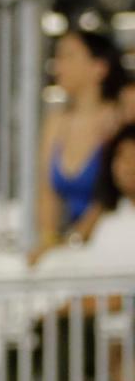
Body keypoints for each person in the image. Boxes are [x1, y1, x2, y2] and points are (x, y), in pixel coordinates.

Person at [35, 29, 124, 255]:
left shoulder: (119, 117)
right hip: (73, 249)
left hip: (116, 243)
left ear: (99, 67)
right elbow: (47, 194)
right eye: (57, 57)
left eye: (69, 56)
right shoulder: (55, 123)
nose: (58, 65)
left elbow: (110, 193)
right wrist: (49, 241)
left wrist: (76, 240)